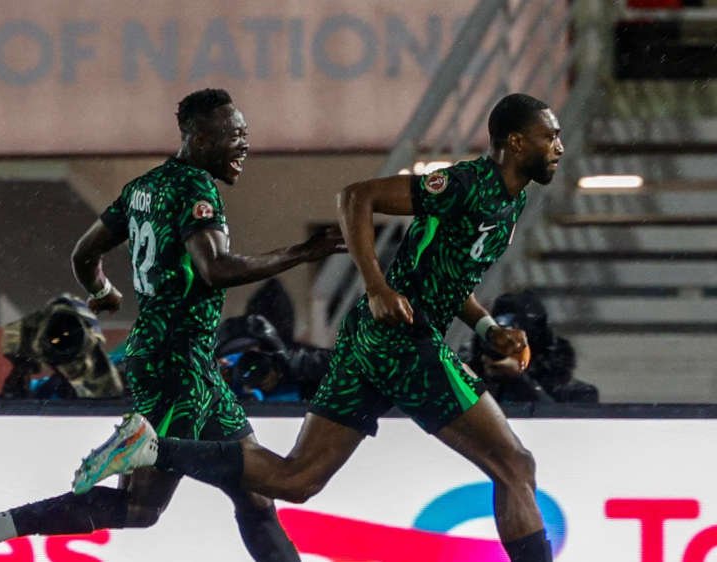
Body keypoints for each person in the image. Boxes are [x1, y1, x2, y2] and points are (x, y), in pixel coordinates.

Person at [74, 93, 565, 562]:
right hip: (400, 342)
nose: (558, 147)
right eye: (551, 136)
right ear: (517, 142)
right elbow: (356, 197)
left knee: (296, 480)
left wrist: (485, 329)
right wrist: (374, 286)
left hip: (372, 343)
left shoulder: (511, 202)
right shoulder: (466, 185)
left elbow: (446, 276)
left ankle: (153, 448)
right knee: (515, 465)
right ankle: (150, 447)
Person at [0, 88, 343, 562]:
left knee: (256, 497)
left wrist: (102, 291)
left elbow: (84, 253)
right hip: (177, 364)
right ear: (197, 136)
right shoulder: (196, 187)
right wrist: (301, 253)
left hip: (186, 363)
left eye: (245, 135)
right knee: (138, 508)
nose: (243, 146)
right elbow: (215, 268)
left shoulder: (142, 189)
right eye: (233, 135)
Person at [465, 290, 598, 404]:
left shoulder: (576, 393)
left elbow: (558, 423)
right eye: (499, 344)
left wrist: (519, 379)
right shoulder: (470, 380)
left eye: (514, 345)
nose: (504, 350)